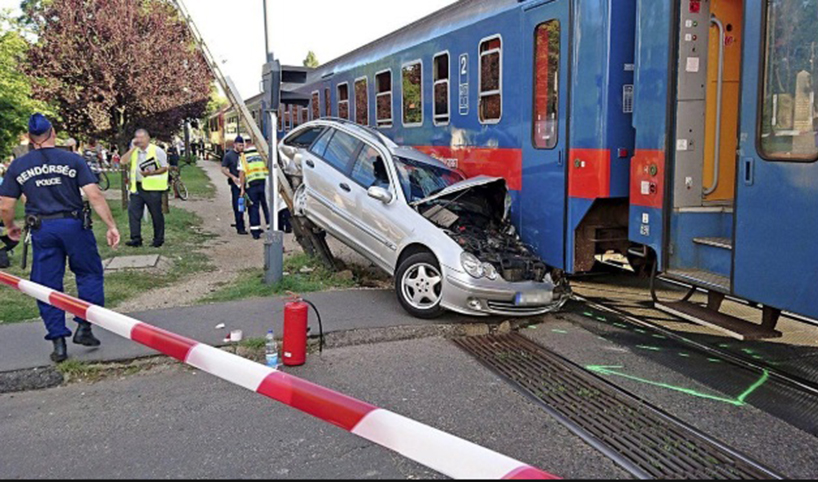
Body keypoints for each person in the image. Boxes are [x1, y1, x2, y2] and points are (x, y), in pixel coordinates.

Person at [0, 114, 121, 363]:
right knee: (89, 274)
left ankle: (58, 343)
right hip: (74, 225)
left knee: (46, 285)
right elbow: (94, 194)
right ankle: (85, 327)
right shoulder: (72, 159)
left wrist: (10, 226)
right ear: (53, 132)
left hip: (42, 229)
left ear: (29, 137)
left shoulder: (18, 166)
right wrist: (111, 225)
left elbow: (5, 204)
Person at [121, 129, 169, 248]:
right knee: (133, 213)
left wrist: (151, 173)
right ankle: (136, 238)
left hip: (152, 188)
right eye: (137, 138)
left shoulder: (157, 150)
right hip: (136, 186)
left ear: (148, 138)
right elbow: (123, 161)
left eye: (142, 138)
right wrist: (132, 149)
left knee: (156, 214)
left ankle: (158, 239)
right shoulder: (134, 151)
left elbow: (165, 167)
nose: (139, 140)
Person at [238, 150, 271, 240]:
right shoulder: (263, 152)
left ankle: (255, 231)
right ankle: (271, 229)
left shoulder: (243, 156)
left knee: (253, 208)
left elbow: (242, 173)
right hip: (265, 183)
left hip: (251, 185)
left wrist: (242, 188)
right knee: (267, 206)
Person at [221, 136, 248, 235]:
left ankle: (253, 224)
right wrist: (232, 176)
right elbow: (223, 169)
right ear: (235, 145)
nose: (242, 147)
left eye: (243, 145)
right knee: (238, 206)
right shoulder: (229, 156)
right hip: (236, 184)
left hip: (246, 182)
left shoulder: (245, 155)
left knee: (249, 205)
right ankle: (240, 226)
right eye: (240, 145)